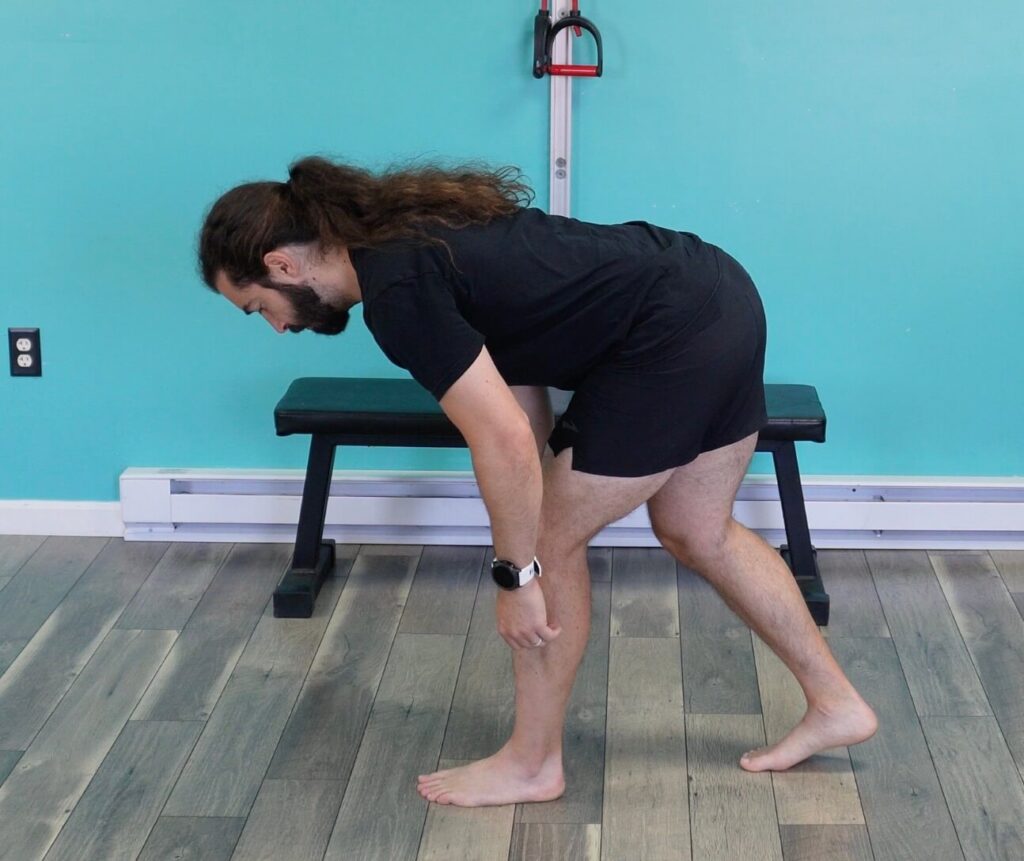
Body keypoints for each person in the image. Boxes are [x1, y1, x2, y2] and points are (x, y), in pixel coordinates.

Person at [198, 155, 878, 808]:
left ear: (280, 264)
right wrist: (535, 513)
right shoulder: (405, 234)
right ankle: (836, 702)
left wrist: (517, 574)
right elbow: (516, 407)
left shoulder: (395, 291)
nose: (279, 328)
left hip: (671, 333)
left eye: (258, 307)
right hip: (718, 291)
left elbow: (501, 441)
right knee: (698, 529)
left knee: (548, 539)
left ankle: (532, 763)